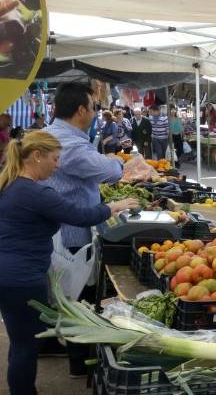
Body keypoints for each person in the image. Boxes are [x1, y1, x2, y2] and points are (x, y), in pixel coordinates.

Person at [0, 131, 137, 395]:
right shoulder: (34, 192)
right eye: (54, 158)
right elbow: (79, 215)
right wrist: (115, 206)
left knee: (23, 339)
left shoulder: (11, 185)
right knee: (24, 346)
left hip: (9, 274)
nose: (57, 165)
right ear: (37, 156)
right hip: (22, 279)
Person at [42, 82, 125, 378]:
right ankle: (79, 362)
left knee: (65, 294)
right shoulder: (70, 144)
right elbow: (108, 171)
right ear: (81, 110)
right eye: (93, 107)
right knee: (80, 298)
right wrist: (119, 163)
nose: (95, 112)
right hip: (72, 234)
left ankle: (67, 349)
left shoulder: (52, 134)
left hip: (59, 232)